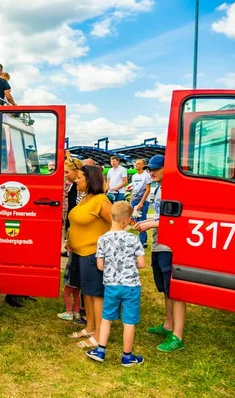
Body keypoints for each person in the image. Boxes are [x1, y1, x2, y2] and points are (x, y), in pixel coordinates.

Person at [134, 155, 186, 352]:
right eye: (149, 169)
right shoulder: (159, 188)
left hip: (170, 246)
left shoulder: (175, 188)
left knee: (175, 290)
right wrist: (149, 222)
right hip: (159, 243)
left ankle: (177, 335)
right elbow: (161, 215)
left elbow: (179, 219)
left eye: (156, 169)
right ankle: (168, 325)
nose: (151, 172)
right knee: (166, 289)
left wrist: (151, 224)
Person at [86, 201, 146, 366]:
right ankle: (127, 356)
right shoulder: (133, 239)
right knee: (129, 321)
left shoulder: (103, 239)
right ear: (126, 220)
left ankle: (100, 350)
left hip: (111, 285)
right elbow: (142, 264)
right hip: (131, 286)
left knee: (106, 318)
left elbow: (100, 266)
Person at [66, 165, 112, 348]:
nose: (76, 180)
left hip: (93, 254)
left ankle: (100, 335)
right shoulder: (85, 199)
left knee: (96, 294)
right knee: (87, 292)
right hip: (79, 253)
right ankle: (91, 327)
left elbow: (118, 224)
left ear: (90, 180)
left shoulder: (101, 201)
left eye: (80, 177)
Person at [58, 154, 84, 321]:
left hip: (79, 239)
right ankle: (78, 307)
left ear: (77, 172)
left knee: (75, 274)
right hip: (73, 234)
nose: (65, 175)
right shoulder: (73, 188)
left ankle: (78, 308)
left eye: (67, 172)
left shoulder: (80, 191)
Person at [130, 158, 152, 247]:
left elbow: (148, 190)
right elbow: (133, 189)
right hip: (135, 200)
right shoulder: (134, 176)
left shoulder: (146, 175)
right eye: (136, 163)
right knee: (135, 220)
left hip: (143, 201)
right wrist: (131, 202)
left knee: (141, 220)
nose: (136, 165)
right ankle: (143, 240)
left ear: (143, 166)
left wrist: (141, 203)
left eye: (138, 164)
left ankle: (141, 242)